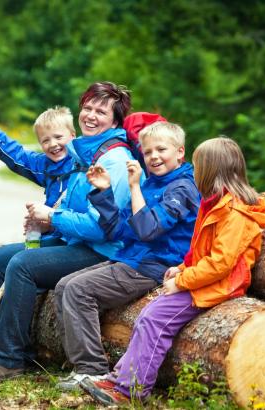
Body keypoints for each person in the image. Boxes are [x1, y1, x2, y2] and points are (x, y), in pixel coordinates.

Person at [0, 81, 139, 384]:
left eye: (101, 111)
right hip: (76, 240)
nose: (91, 115)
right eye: (87, 107)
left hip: (104, 250)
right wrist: (49, 220)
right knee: (1, 258)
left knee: (23, 265)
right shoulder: (85, 151)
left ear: (115, 120)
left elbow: (100, 228)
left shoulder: (113, 159)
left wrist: (53, 217)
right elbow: (37, 168)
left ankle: (9, 359)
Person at [81, 136, 265, 405]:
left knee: (154, 320)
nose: (196, 172)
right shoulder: (216, 203)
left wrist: (182, 282)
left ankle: (129, 392)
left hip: (219, 284)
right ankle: (121, 377)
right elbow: (201, 249)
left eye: (198, 166)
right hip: (202, 278)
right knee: (148, 314)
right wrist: (180, 267)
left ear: (210, 170)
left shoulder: (237, 212)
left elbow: (220, 264)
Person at [53, 121, 200, 391]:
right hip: (131, 257)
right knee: (64, 285)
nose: (154, 156)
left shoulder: (182, 188)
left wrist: (133, 187)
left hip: (155, 266)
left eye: (161, 150)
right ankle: (79, 364)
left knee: (78, 289)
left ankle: (92, 371)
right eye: (147, 152)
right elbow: (118, 229)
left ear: (180, 152)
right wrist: (104, 192)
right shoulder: (152, 184)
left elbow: (148, 230)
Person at [0, 101, 75, 209]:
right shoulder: (44, 164)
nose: (53, 144)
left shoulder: (84, 162)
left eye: (58, 137)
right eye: (45, 140)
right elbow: (18, 155)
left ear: (73, 136)